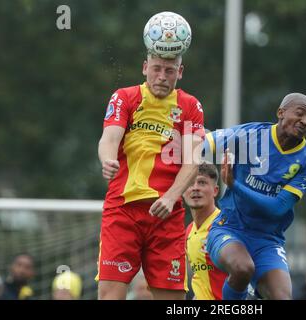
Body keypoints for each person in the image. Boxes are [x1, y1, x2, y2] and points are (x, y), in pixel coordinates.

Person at [96, 30, 205, 298]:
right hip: (122, 211)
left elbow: (193, 159)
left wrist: (170, 197)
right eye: (156, 69)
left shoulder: (191, 106)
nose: (162, 76)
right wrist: (107, 159)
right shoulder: (124, 97)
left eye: (170, 70)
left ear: (180, 72)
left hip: (166, 217)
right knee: (109, 295)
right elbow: (109, 138)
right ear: (145, 68)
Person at [205, 93, 306, 300]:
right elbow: (204, 143)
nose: (305, 121)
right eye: (300, 114)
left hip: (268, 240)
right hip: (230, 228)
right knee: (243, 268)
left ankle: (253, 294)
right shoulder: (249, 135)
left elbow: (278, 208)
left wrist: (234, 185)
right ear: (280, 112)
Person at [183, 163, 228, 300]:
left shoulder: (226, 225)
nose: (195, 188)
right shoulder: (189, 230)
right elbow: (199, 276)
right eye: (190, 183)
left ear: (215, 190)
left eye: (202, 183)